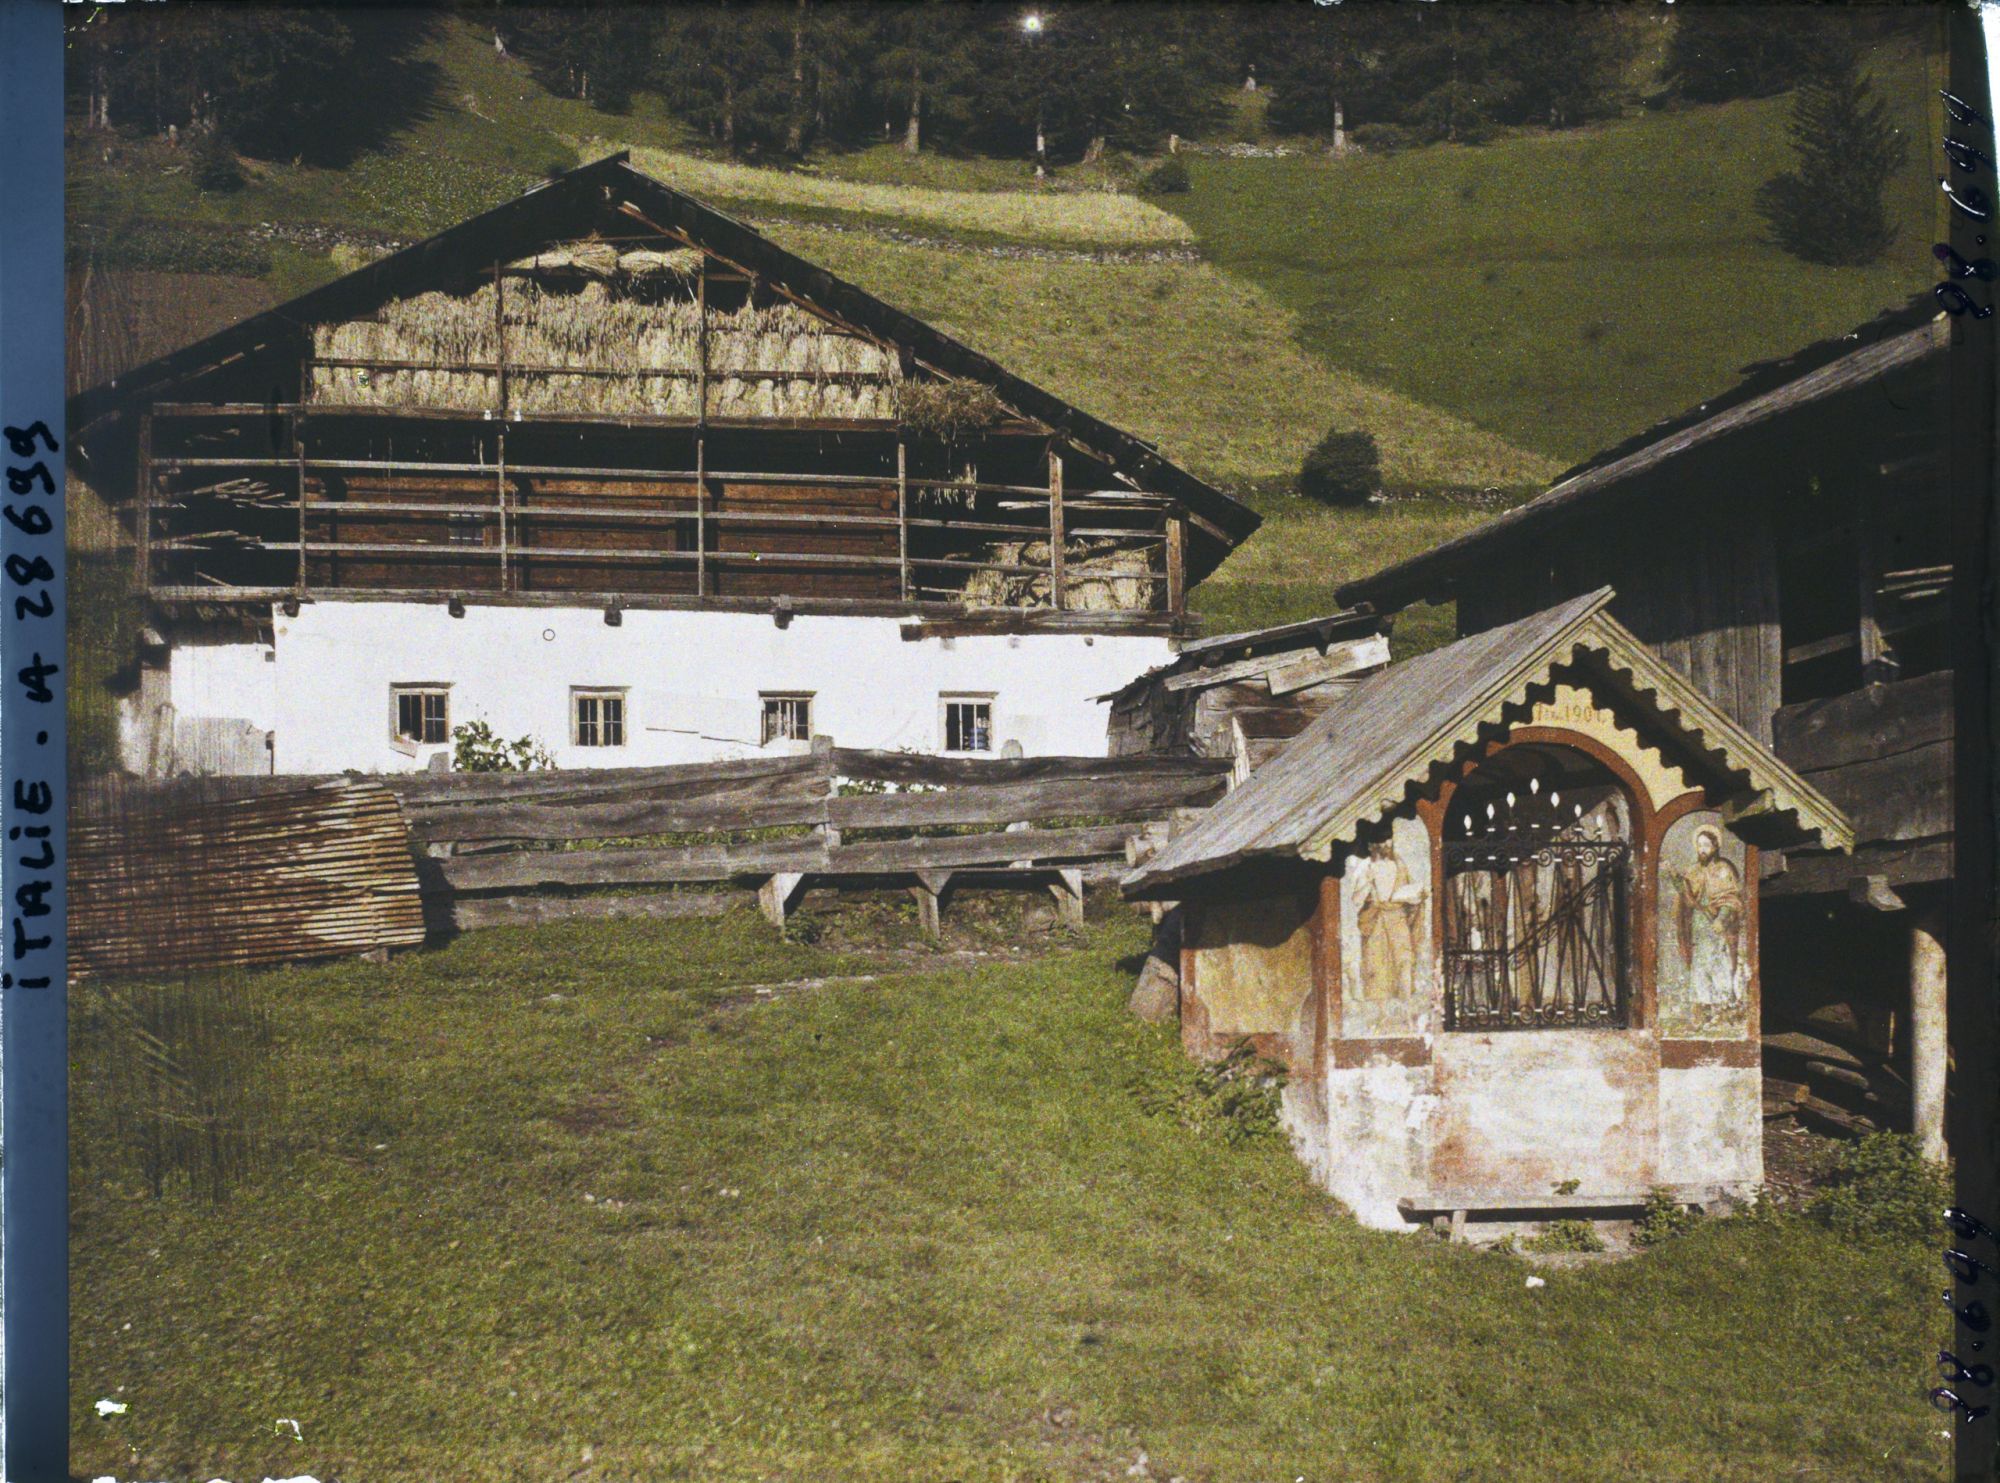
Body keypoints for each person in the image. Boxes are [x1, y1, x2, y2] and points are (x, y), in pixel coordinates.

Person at [1675, 826, 1744, 1004]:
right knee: (1699, 966)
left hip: (1716, 925)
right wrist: (1675, 879)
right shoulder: (1694, 871)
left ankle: (1723, 1005)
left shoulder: (1723, 869)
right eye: (1699, 845)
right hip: (1698, 926)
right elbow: (1687, 896)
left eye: (1706, 845)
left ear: (1715, 846)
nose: (1702, 849)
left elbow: (1730, 899)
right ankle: (1703, 1005)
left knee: (1719, 962)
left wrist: (1721, 919)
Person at [1354, 838, 1425, 1001]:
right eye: (1382, 841)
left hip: (1398, 919)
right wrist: (1367, 883)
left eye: (1389, 840)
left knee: (1404, 961)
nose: (1387, 845)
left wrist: (1417, 896)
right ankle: (1379, 1015)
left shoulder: (1399, 864)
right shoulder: (1365, 867)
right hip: (1375, 920)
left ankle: (1406, 1005)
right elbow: (1356, 900)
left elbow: (1410, 890)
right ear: (1371, 845)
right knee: (1376, 967)